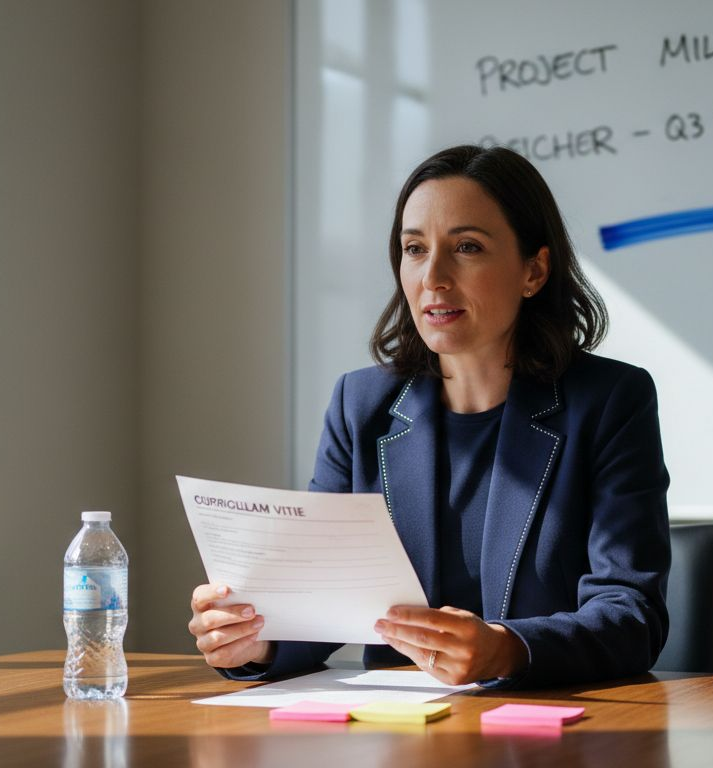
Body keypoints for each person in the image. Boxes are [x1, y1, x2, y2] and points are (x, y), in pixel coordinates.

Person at [188, 145, 670, 687]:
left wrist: (509, 649)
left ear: (533, 271)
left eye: (466, 247)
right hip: (396, 732)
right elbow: (321, 599)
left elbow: (631, 617)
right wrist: (258, 640)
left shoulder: (611, 400)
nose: (433, 277)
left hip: (550, 729)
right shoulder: (361, 406)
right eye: (414, 249)